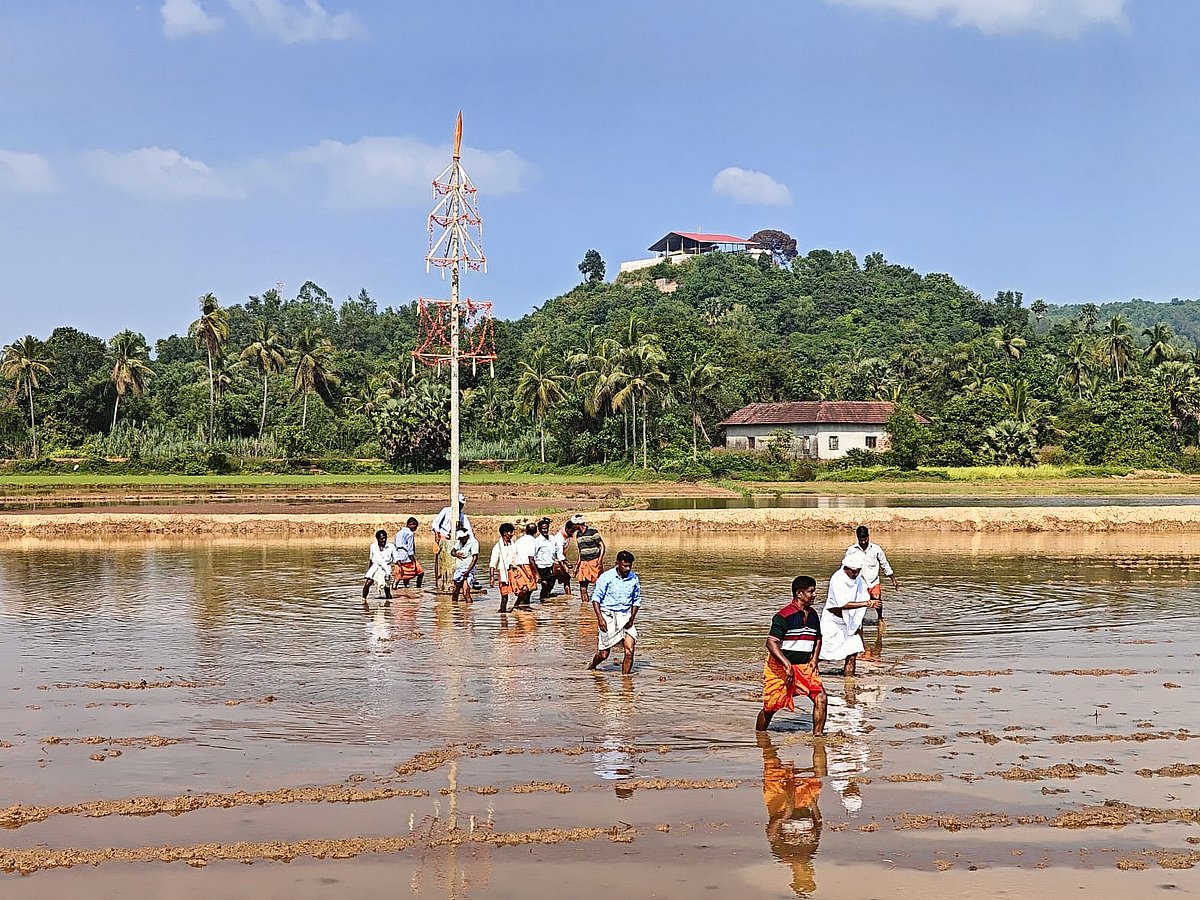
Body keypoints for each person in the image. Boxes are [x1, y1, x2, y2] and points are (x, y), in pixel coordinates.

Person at [757, 575, 827, 734]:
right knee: (771, 708)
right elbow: (771, 643)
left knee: (821, 697)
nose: (814, 595)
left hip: (805, 667)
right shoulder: (783, 616)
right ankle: (760, 738)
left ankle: (818, 737)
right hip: (780, 668)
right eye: (811, 592)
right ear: (799, 594)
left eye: (814, 591)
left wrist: (815, 659)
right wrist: (787, 665)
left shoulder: (814, 615)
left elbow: (818, 638)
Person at [760, 732, 825, 897]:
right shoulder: (810, 851)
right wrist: (813, 803)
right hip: (803, 801)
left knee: (772, 766)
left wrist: (785, 815)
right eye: (809, 876)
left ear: (796, 876)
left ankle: (764, 740)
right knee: (818, 770)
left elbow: (771, 832)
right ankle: (765, 737)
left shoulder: (783, 855)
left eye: (805, 877)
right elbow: (818, 825)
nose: (809, 872)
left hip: (781, 802)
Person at [819, 548, 880, 677]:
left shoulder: (857, 579)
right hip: (833, 622)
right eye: (853, 571)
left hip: (850, 622)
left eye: (858, 571)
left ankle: (849, 686)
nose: (856, 574)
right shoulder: (837, 579)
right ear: (846, 568)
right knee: (823, 653)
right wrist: (868, 603)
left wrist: (857, 623)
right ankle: (805, 672)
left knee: (852, 654)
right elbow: (843, 604)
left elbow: (862, 594)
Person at [587, 550, 641, 675]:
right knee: (604, 654)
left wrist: (631, 619)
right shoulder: (606, 577)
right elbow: (596, 599)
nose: (627, 569)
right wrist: (600, 619)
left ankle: (626, 683)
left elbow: (636, 601)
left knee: (629, 650)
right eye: (625, 566)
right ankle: (592, 665)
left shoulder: (634, 579)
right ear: (617, 563)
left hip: (626, 617)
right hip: (608, 616)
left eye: (629, 566)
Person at [850, 525, 897, 628]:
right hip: (859, 582)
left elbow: (885, 564)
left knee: (877, 600)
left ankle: (880, 618)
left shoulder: (876, 549)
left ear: (868, 537)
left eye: (865, 539)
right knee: (859, 604)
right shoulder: (852, 550)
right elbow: (846, 566)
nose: (863, 542)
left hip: (873, 581)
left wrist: (893, 579)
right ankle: (859, 622)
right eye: (860, 540)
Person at [431, 494, 472, 587]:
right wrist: (438, 533)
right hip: (443, 538)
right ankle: (439, 581)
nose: (460, 507)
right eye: (459, 504)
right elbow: (435, 524)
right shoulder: (446, 511)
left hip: (456, 541)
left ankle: (457, 581)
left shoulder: (462, 516)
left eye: (462, 505)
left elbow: (468, 530)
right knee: (439, 561)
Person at [573, 514, 606, 606]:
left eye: (574, 524)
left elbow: (602, 545)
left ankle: (601, 605)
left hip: (594, 561)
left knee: (600, 585)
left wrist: (600, 560)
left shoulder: (592, 531)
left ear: (578, 524)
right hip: (584, 563)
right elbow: (581, 551)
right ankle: (585, 607)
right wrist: (577, 566)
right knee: (582, 587)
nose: (573, 526)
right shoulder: (578, 535)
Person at [489, 523, 520, 613]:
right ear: (505, 533)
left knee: (523, 590)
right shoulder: (497, 547)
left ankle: (515, 607)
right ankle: (503, 617)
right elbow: (493, 563)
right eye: (510, 532)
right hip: (503, 573)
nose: (512, 534)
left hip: (514, 571)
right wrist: (491, 578)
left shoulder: (513, 544)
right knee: (505, 596)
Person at [510, 522, 539, 609]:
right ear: (536, 531)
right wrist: (537, 574)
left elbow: (513, 554)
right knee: (528, 588)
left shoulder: (519, 540)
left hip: (518, 565)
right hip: (528, 565)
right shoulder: (533, 541)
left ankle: (524, 605)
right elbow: (531, 558)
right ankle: (520, 605)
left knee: (526, 587)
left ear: (526, 530)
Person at [362, 529, 396, 604]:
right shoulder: (373, 546)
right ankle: (363, 600)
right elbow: (371, 559)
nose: (383, 540)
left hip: (385, 569)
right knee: (367, 584)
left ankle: (388, 605)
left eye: (385, 538)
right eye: (381, 538)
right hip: (375, 567)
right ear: (377, 539)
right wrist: (369, 570)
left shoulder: (391, 547)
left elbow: (396, 559)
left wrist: (399, 569)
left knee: (387, 589)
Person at [449, 524, 479, 603]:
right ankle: (455, 610)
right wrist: (456, 554)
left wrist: (468, 571)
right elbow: (452, 552)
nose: (461, 540)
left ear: (466, 536)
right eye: (460, 538)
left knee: (466, 593)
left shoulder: (473, 542)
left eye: (462, 538)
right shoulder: (459, 542)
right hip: (459, 570)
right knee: (455, 592)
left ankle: (468, 612)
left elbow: (475, 558)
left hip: (468, 570)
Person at [392, 517, 424, 589]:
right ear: (411, 525)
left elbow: (395, 546)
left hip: (398, 558)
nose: (415, 529)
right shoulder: (410, 533)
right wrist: (414, 561)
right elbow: (410, 549)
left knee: (398, 576)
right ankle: (418, 588)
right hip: (406, 557)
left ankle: (397, 589)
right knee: (420, 572)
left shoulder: (398, 533)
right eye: (415, 527)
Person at [532, 517, 557, 601]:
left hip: (551, 565)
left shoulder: (552, 539)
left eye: (546, 528)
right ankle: (542, 600)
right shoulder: (537, 541)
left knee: (551, 584)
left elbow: (557, 552)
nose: (545, 530)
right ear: (539, 529)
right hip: (541, 566)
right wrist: (536, 573)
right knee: (544, 584)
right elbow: (533, 556)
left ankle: (547, 600)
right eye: (543, 529)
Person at [552, 519, 576, 598]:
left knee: (566, 578)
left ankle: (568, 596)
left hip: (560, 559)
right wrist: (567, 563)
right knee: (565, 577)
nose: (572, 534)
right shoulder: (560, 538)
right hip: (555, 561)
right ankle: (568, 596)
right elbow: (559, 555)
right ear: (566, 529)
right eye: (571, 532)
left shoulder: (567, 536)